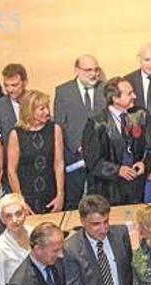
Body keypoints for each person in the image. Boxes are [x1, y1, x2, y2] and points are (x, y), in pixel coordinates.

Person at [82, 76, 151, 206]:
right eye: (129, 94)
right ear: (115, 99)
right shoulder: (97, 123)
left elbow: (150, 148)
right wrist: (117, 170)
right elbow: (92, 161)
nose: (134, 96)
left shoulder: (141, 115)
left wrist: (145, 164)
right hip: (109, 191)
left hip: (136, 189)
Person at [54, 54, 104, 210]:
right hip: (73, 156)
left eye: (96, 70)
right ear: (77, 70)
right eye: (88, 70)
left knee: (98, 202)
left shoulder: (105, 89)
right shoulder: (63, 91)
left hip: (100, 156)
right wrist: (78, 145)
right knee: (74, 202)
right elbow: (60, 125)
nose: (93, 74)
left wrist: (93, 148)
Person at [7, 90, 65, 214]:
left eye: (47, 107)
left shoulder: (55, 129)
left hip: (51, 193)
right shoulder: (16, 134)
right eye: (42, 109)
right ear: (29, 110)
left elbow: (59, 164)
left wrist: (60, 195)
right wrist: (20, 201)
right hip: (26, 195)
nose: (47, 112)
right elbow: (11, 170)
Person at [0, 63, 29, 149]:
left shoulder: (37, 101)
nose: (10, 90)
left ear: (25, 82)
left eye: (14, 85)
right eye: (6, 85)